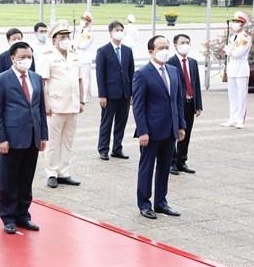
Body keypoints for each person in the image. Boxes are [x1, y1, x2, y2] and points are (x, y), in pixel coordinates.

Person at [0, 41, 48, 234]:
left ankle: (23, 214)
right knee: (9, 179)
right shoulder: (1, 79)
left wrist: (43, 136)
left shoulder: (36, 78)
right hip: (11, 138)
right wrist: (1, 139)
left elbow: (39, 109)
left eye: (29, 57)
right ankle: (8, 217)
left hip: (32, 136)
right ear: (12, 58)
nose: (26, 60)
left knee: (26, 179)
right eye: (22, 57)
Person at [132, 35, 186, 219]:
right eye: (160, 48)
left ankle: (161, 202)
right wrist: (143, 131)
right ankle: (144, 204)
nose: (165, 51)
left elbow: (178, 101)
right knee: (147, 168)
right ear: (150, 52)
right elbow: (138, 106)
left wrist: (181, 126)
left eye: (166, 47)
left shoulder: (172, 70)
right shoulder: (142, 74)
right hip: (151, 131)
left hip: (170, 129)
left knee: (164, 168)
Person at [37, 20, 83, 188]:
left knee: (68, 141)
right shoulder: (48, 56)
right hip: (55, 105)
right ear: (54, 39)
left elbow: (79, 80)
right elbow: (42, 82)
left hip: (72, 105)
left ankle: (64, 172)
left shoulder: (74, 56)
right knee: (53, 141)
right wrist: (45, 104)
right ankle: (51, 173)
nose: (65, 40)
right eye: (62, 37)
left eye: (67, 36)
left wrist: (82, 100)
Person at [95, 20, 134, 161]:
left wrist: (131, 93)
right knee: (107, 122)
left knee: (121, 122)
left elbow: (131, 73)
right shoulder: (103, 51)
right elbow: (100, 74)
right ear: (110, 33)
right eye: (116, 30)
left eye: (121, 30)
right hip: (109, 94)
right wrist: (102, 95)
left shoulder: (128, 50)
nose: (119, 32)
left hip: (124, 93)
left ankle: (117, 148)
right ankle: (103, 149)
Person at [168, 34, 203, 175]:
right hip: (177, 103)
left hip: (189, 102)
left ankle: (182, 160)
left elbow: (196, 84)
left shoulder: (192, 62)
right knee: (174, 132)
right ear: (175, 45)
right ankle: (172, 161)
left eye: (187, 42)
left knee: (187, 133)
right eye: (182, 42)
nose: (185, 45)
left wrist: (198, 104)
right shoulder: (170, 62)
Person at [221, 11, 252, 129]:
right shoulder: (232, 36)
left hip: (241, 69)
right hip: (232, 68)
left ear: (243, 25)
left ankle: (240, 120)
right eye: (233, 21)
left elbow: (238, 53)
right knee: (232, 95)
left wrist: (228, 51)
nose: (234, 24)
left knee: (241, 95)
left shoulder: (246, 37)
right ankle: (232, 118)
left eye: (237, 22)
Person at [75, 12, 94, 103]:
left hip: (85, 58)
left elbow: (84, 44)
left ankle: (85, 97)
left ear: (88, 21)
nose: (82, 21)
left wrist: (77, 45)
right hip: (79, 57)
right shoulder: (80, 30)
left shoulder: (89, 32)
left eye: (84, 19)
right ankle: (79, 95)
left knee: (85, 79)